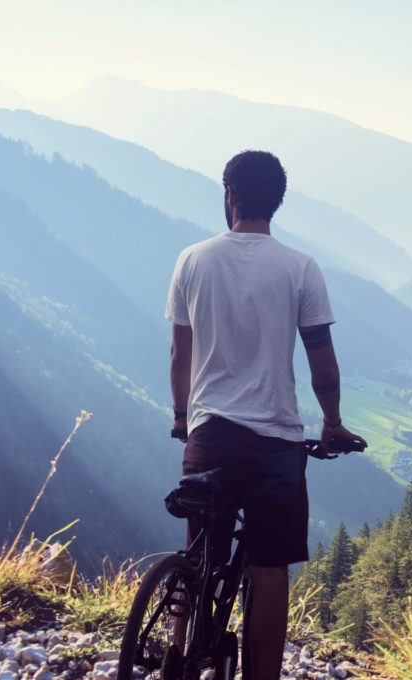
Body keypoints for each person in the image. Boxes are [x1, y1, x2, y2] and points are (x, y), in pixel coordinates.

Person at [165, 150, 365, 680]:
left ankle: (176, 653)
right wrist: (332, 421)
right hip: (276, 442)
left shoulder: (192, 260)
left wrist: (184, 416)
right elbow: (322, 359)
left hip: (209, 435)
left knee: (198, 550)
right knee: (269, 568)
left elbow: (179, 355)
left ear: (228, 194)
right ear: (277, 202)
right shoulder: (300, 268)